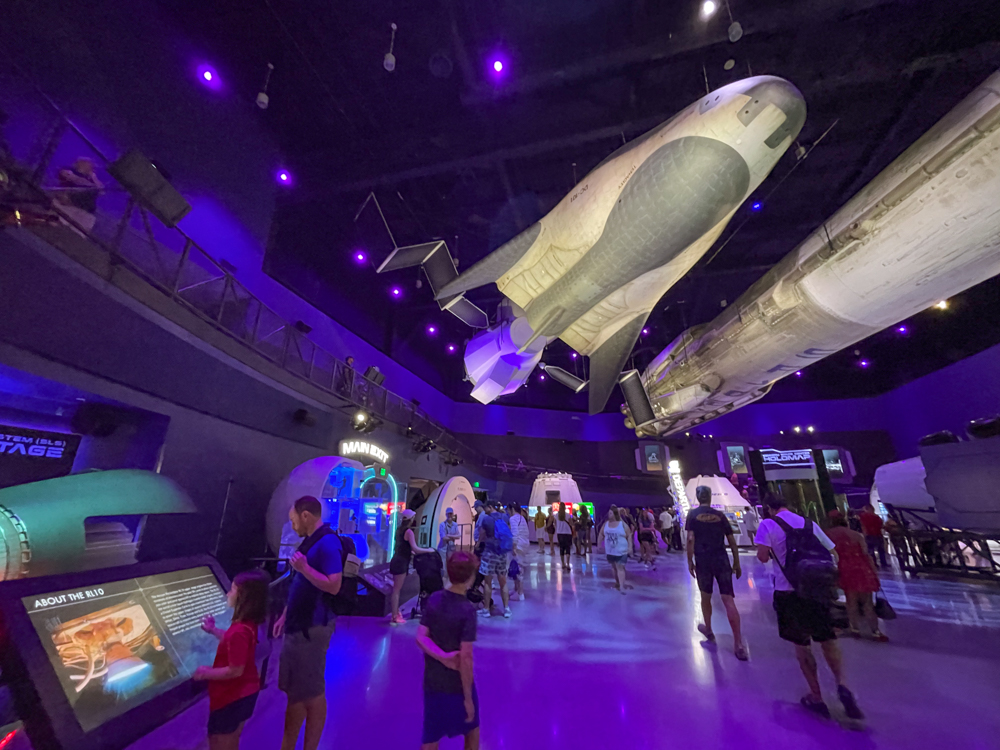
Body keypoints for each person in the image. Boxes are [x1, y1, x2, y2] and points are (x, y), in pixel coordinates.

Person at [755, 495, 864, 720]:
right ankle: (843, 684)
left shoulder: (768, 524)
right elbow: (832, 552)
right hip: (816, 590)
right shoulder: (809, 523)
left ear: (769, 508)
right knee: (828, 639)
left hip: (788, 591)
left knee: (802, 644)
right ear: (790, 505)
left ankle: (816, 695)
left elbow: (763, 557)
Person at [273, 496, 344, 750]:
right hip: (299, 624)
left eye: (293, 520)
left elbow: (334, 585)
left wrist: (304, 569)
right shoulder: (310, 541)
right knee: (300, 689)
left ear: (306, 516)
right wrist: (285, 613)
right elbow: (299, 585)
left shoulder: (327, 542)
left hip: (312, 628)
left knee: (310, 692)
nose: (292, 526)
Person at [196, 570, 270, 750]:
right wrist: (214, 630)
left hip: (232, 696)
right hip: (246, 692)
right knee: (232, 738)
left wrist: (206, 673)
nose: (228, 594)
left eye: (232, 590)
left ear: (243, 598)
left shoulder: (239, 631)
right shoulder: (246, 626)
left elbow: (235, 669)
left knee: (220, 741)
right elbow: (235, 643)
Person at [416, 552, 480, 750]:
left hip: (432, 681)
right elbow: (466, 656)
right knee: (472, 731)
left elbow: (420, 637)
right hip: (457, 685)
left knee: (431, 735)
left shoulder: (435, 599)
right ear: (471, 577)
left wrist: (441, 657)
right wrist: (468, 697)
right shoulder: (467, 611)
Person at [685, 486, 747, 660]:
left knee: (706, 597)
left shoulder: (693, 515)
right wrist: (736, 561)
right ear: (710, 497)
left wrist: (690, 561)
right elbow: (731, 540)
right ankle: (738, 643)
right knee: (728, 600)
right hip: (721, 559)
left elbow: (690, 539)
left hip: (703, 561)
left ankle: (709, 629)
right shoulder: (720, 515)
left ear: (698, 497)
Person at [826, 513, 887, 642]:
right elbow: (866, 554)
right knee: (868, 603)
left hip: (845, 569)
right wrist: (874, 572)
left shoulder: (828, 535)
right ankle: (875, 631)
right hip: (862, 568)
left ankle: (855, 629)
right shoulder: (856, 535)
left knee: (851, 601)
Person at [391, 509, 438, 624]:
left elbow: (403, 547)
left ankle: (396, 612)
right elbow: (415, 549)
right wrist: (429, 550)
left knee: (396, 589)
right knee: (396, 590)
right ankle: (394, 616)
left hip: (396, 559)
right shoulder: (409, 532)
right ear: (410, 519)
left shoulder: (399, 530)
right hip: (401, 562)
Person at [477, 501, 512, 619]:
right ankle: (507, 609)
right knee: (503, 582)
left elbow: (482, 535)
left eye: (486, 507)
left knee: (488, 582)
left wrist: (477, 545)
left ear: (490, 507)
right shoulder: (505, 517)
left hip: (489, 552)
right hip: (502, 553)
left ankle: (486, 609)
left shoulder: (486, 519)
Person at [55, 157, 103, 234]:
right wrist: (90, 185)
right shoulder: (70, 170)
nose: (92, 167)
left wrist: (93, 176)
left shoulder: (91, 180)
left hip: (84, 209)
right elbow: (69, 177)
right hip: (69, 200)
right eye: (89, 165)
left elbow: (102, 190)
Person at [598, 505, 632, 593]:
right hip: (610, 551)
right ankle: (617, 583)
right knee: (614, 567)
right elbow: (601, 534)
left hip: (621, 550)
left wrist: (630, 547)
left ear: (615, 514)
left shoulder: (622, 524)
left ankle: (621, 586)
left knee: (620, 567)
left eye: (610, 513)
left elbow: (629, 535)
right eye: (609, 513)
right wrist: (599, 545)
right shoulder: (606, 524)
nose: (609, 515)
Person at [507, 505, 530, 601]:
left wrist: (514, 547)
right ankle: (516, 589)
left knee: (518, 568)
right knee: (517, 566)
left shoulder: (513, 519)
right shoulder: (522, 518)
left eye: (508, 510)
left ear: (512, 509)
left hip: (518, 545)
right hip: (524, 544)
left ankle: (520, 593)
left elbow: (515, 533)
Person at [859, 504, 887, 569]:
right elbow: (881, 524)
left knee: (871, 551)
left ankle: (874, 563)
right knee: (881, 550)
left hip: (869, 535)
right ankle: (883, 563)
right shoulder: (876, 517)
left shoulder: (863, 516)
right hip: (877, 534)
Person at [554, 502, 575, 571]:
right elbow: (571, 523)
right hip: (568, 533)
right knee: (568, 548)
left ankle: (563, 564)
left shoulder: (556, 515)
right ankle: (568, 564)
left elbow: (555, 524)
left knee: (561, 548)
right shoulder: (568, 515)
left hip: (560, 533)